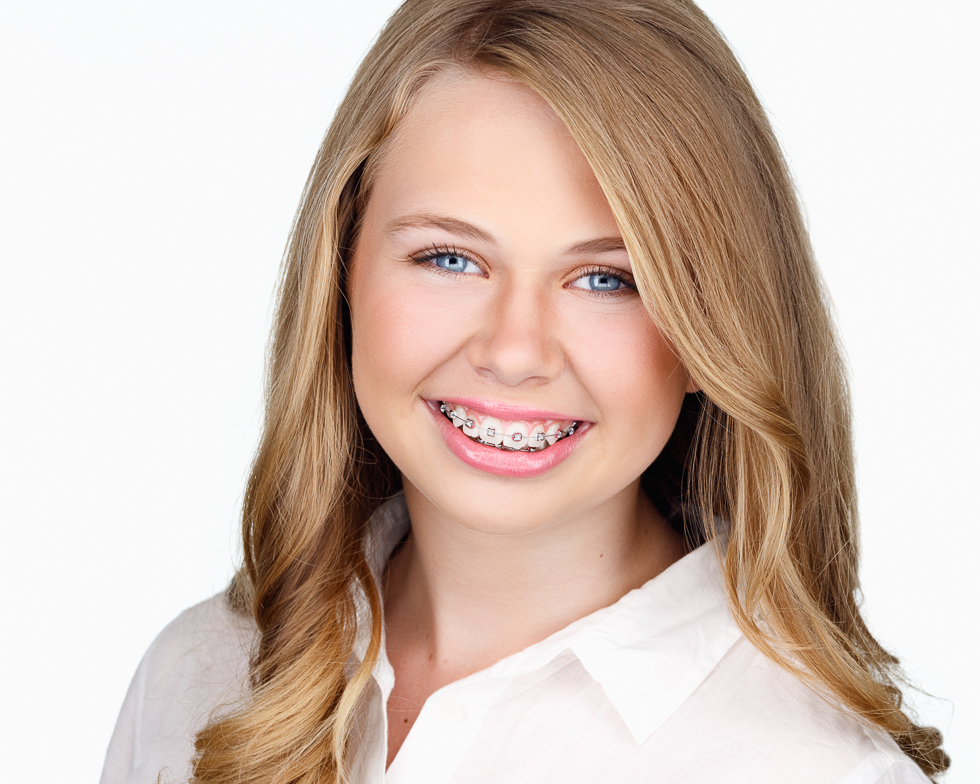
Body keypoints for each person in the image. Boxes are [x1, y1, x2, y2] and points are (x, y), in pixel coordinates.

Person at [100, 1, 949, 782]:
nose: (513, 352)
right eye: (449, 258)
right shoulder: (198, 674)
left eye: (607, 279)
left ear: (712, 331)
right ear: (342, 269)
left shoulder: (811, 767)